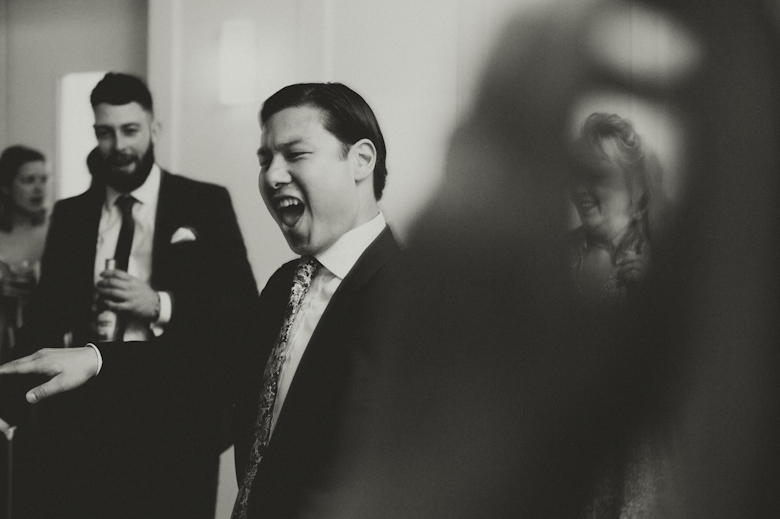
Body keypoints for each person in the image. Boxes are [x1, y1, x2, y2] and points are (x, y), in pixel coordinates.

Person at [0, 81, 400, 519]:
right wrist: (97, 360)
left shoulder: (411, 302)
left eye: (296, 154)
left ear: (362, 159)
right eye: (265, 159)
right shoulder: (289, 282)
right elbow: (214, 367)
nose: (271, 175)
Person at [1, 72, 259, 519]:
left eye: (130, 130)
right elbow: (44, 319)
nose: (118, 145)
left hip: (177, 419)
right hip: (85, 420)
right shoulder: (71, 214)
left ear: (154, 130)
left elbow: (241, 309)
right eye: (105, 132)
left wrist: (160, 304)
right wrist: (6, 408)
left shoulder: (204, 203)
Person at [568, 112, 665, 316]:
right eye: (577, 174)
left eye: (597, 174)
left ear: (637, 193)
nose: (579, 187)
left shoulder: (660, 267)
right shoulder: (558, 252)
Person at [0, 145, 49, 363]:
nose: (39, 189)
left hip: (42, 340)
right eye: (29, 181)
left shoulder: (55, 232)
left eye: (43, 180)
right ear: (6, 186)